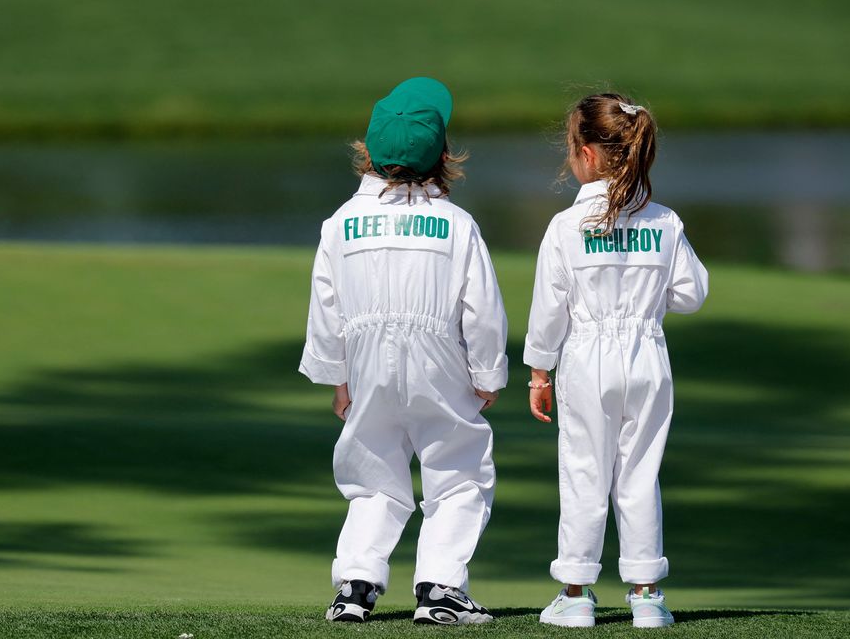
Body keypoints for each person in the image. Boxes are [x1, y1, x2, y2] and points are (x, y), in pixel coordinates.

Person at [299, 77, 508, 625]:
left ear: (367, 150)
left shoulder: (341, 224)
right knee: (459, 467)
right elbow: (482, 309)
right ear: (444, 156)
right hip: (439, 355)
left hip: (366, 357)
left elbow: (327, 306)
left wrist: (337, 375)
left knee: (372, 468)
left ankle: (356, 586)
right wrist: (487, 373)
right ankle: (440, 588)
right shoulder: (457, 224)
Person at [524, 93, 708, 629]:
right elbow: (692, 293)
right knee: (639, 471)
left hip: (586, 357)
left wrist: (539, 372)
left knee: (584, 469)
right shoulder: (665, 221)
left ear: (584, 153)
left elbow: (547, 310)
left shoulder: (564, 226)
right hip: (648, 355)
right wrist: (650, 300)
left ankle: (577, 593)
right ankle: (647, 594)